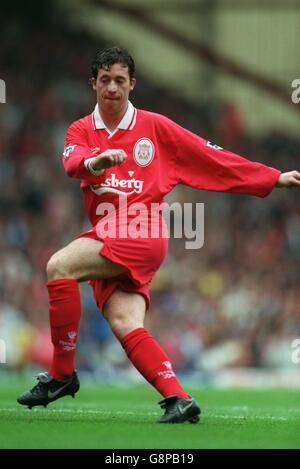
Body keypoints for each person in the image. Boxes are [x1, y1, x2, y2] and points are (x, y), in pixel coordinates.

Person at [17, 46, 300, 424]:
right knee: (125, 323)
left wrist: (270, 178)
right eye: (105, 80)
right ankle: (178, 399)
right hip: (110, 231)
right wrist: (94, 162)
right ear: (93, 84)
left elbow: (209, 155)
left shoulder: (156, 128)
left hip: (141, 227)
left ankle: (61, 375)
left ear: (132, 84)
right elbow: (71, 163)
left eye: (120, 80)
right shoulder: (81, 129)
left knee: (59, 266)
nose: (113, 88)